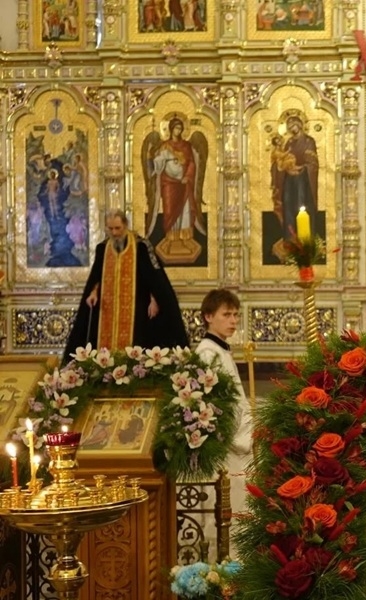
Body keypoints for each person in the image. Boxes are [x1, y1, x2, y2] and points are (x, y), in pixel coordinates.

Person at [63, 210, 189, 358]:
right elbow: (96, 276)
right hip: (107, 310)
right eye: (110, 229)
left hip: (138, 307)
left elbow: (155, 278)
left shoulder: (141, 246)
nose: (114, 233)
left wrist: (155, 300)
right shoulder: (103, 248)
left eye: (118, 228)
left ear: (126, 225)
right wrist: (93, 292)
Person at [195, 288, 253, 554]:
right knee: (227, 510)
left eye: (236, 315)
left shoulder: (220, 351)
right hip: (226, 448)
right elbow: (216, 406)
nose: (233, 321)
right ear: (209, 316)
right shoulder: (208, 354)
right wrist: (245, 433)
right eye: (226, 314)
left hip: (234, 444)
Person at [147, 117, 206, 245]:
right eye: (176, 128)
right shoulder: (165, 145)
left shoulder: (186, 146)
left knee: (185, 210)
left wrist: (188, 176)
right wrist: (152, 158)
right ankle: (171, 237)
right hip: (168, 183)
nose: (178, 131)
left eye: (180, 128)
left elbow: (191, 163)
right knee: (169, 210)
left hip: (183, 183)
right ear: (170, 129)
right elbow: (158, 162)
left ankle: (185, 237)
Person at [271, 113, 319, 243]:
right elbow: (283, 159)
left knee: (300, 203)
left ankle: (304, 240)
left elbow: (313, 163)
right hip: (289, 178)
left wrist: (301, 168)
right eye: (289, 126)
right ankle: (289, 237)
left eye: (294, 125)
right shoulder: (289, 142)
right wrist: (282, 167)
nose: (292, 128)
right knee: (287, 202)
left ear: (300, 125)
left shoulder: (308, 141)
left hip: (303, 179)